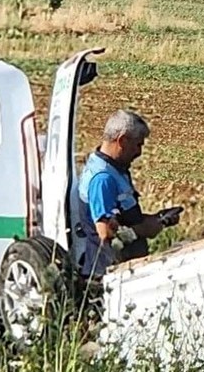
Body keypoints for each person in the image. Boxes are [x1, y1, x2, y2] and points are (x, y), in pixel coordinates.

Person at [72, 108, 177, 279]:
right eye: (138, 145)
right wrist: (144, 229)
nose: (139, 152)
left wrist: (159, 220)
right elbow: (106, 232)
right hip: (110, 274)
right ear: (122, 140)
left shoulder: (113, 169)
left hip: (123, 269)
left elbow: (122, 217)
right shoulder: (102, 178)